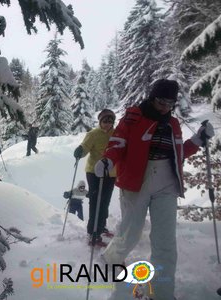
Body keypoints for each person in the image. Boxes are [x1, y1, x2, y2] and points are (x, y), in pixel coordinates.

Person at [94, 79, 215, 300]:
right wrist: (108, 161)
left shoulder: (173, 124)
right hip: (135, 182)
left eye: (170, 103)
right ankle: (112, 257)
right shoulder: (133, 117)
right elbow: (117, 144)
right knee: (131, 232)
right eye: (161, 101)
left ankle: (162, 293)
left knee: (165, 241)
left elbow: (178, 153)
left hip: (167, 184)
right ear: (152, 97)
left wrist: (198, 139)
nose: (165, 107)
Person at [73, 109, 117, 248]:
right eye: (105, 121)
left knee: (105, 201)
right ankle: (92, 232)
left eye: (110, 121)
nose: (107, 124)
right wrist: (80, 150)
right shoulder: (93, 134)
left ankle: (101, 227)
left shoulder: (116, 134)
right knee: (96, 201)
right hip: (94, 172)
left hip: (110, 173)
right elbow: (85, 147)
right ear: (100, 121)